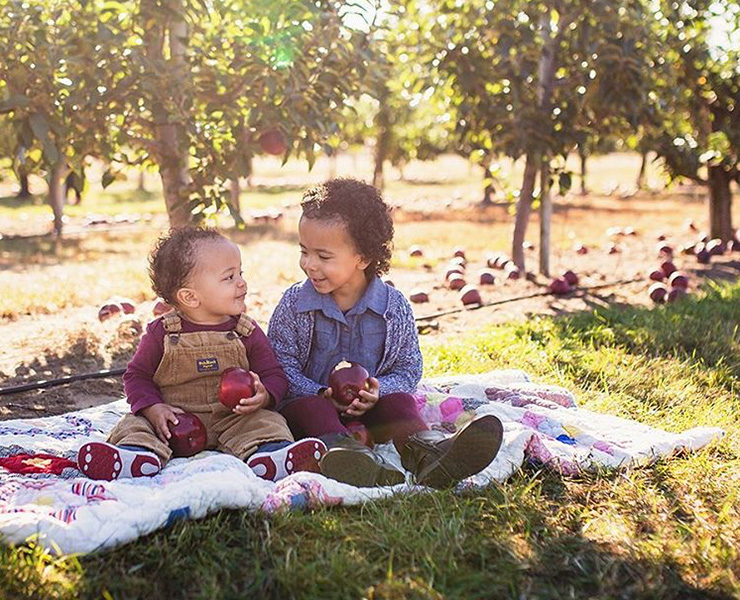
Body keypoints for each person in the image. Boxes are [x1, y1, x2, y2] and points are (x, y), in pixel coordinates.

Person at [268, 178, 503, 488]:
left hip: (372, 410)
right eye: (304, 251)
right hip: (313, 409)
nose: (309, 264)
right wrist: (318, 392)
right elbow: (279, 365)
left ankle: (430, 452)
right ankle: (348, 457)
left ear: (363, 258)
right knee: (312, 409)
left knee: (400, 404)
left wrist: (378, 392)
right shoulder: (295, 305)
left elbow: (408, 367)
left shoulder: (393, 308)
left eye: (323, 257)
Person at [77, 227, 326, 482]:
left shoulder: (246, 331)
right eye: (229, 277)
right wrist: (154, 409)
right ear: (190, 297)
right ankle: (135, 455)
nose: (242, 282)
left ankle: (271, 454)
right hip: (172, 423)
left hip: (235, 419)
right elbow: (137, 377)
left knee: (266, 423)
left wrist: (264, 395)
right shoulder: (162, 333)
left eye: (240, 273)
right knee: (134, 425)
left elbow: (273, 373)